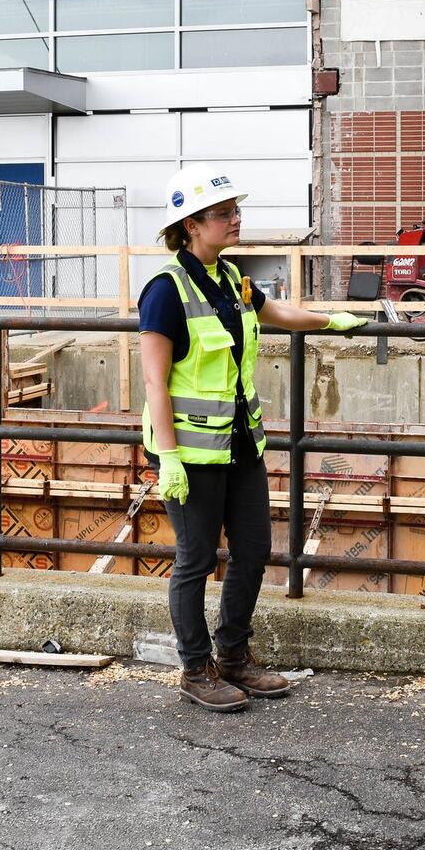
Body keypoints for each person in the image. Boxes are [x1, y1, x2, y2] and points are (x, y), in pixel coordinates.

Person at [139, 163, 365, 712]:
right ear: (191, 224)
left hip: (239, 444)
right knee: (195, 559)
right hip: (189, 454)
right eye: (224, 213)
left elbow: (275, 311)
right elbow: (153, 379)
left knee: (254, 549)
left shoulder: (230, 278)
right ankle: (195, 669)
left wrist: (329, 320)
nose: (235, 219)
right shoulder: (165, 292)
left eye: (236, 210)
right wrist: (167, 456)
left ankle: (234, 656)